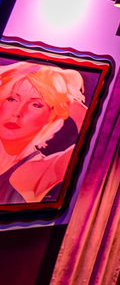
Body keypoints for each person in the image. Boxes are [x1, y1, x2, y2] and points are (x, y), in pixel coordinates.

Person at [0, 62, 87, 204]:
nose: (18, 112)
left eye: (36, 104)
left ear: (53, 116)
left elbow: (100, 144)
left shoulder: (42, 169)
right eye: (12, 99)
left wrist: (67, 99)